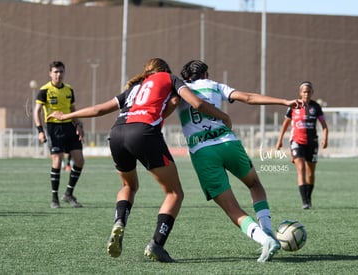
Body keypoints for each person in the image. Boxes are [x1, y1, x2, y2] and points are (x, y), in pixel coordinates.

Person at [47, 58, 231, 263]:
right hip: (143, 133)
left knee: (128, 185)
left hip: (117, 133)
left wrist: (66, 116)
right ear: (164, 71)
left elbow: (99, 110)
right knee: (174, 193)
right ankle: (157, 245)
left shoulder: (134, 88)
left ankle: (119, 222)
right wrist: (223, 116)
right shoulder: (170, 78)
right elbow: (197, 103)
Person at [178, 60, 301, 262]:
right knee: (254, 184)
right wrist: (284, 102)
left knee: (231, 208)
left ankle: (265, 240)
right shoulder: (215, 85)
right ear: (206, 74)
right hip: (229, 144)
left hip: (203, 152)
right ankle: (268, 231)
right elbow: (249, 98)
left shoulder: (180, 90)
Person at [33, 61, 85, 209]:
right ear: (50, 73)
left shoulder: (69, 90)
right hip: (53, 128)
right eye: (56, 72)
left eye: (61, 72)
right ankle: (54, 198)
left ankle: (68, 194)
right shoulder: (44, 90)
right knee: (57, 160)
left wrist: (79, 125)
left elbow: (73, 109)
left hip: (69, 126)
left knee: (80, 160)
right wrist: (40, 131)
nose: (58, 75)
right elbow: (36, 111)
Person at [275, 81, 328, 210]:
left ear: (312, 93)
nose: (306, 94)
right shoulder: (294, 106)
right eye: (304, 91)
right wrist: (280, 140)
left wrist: (325, 139)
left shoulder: (316, 107)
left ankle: (308, 199)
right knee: (301, 169)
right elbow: (285, 124)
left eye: (308, 91)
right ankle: (304, 202)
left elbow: (324, 126)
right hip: (297, 142)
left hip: (312, 143)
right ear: (300, 93)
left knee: (310, 173)